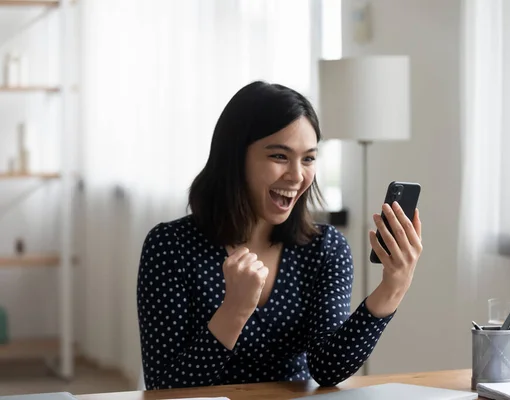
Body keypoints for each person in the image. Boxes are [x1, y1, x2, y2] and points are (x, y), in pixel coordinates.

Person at [136, 81, 423, 390]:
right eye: (279, 156)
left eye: (309, 158)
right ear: (235, 157)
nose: (297, 175)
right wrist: (234, 309)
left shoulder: (324, 248)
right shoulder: (169, 247)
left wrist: (392, 288)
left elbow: (328, 368)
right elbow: (164, 388)